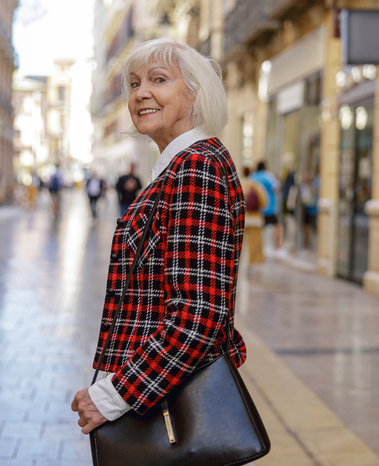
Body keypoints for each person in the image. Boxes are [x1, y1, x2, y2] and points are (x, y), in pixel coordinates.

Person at [72, 38, 247, 435]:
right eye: (134, 84)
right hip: (160, 395)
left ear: (195, 93)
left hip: (166, 406)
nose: (141, 93)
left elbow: (197, 316)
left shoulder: (197, 169)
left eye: (159, 79)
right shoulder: (179, 167)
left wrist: (114, 395)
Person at [250, 161, 281, 251]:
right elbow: (277, 187)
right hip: (269, 207)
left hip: (257, 209)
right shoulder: (268, 176)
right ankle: (278, 247)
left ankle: (259, 249)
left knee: (259, 229)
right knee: (277, 226)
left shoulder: (253, 177)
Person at [240, 165, 266, 268]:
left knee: (241, 243)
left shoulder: (239, 183)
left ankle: (240, 263)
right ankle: (250, 266)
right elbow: (263, 201)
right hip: (255, 219)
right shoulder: (256, 185)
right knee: (254, 244)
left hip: (242, 219)